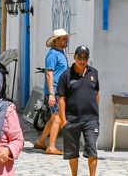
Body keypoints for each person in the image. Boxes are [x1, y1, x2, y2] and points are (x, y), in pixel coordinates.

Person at [57, 46, 101, 176]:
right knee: (72, 153)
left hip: (91, 120)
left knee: (92, 150)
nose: (82, 61)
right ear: (74, 57)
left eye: (85, 58)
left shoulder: (94, 73)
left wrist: (95, 111)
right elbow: (61, 99)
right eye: (79, 57)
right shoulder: (66, 75)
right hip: (72, 120)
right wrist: (63, 120)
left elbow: (97, 93)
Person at [33, 29, 71, 155]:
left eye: (66, 38)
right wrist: (51, 94)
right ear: (56, 41)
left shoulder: (61, 53)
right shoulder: (53, 54)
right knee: (57, 118)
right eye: (63, 39)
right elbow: (49, 74)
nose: (66, 40)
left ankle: (41, 142)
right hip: (55, 91)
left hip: (60, 90)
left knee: (53, 118)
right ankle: (52, 147)